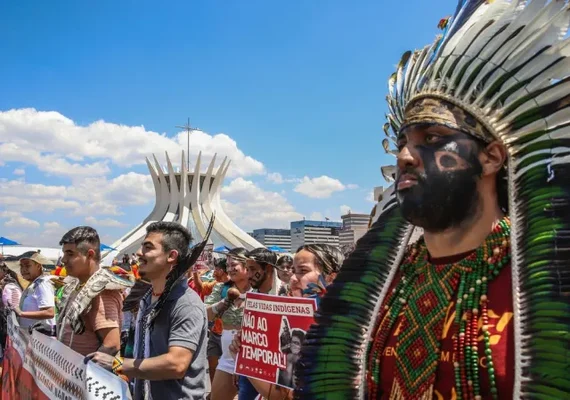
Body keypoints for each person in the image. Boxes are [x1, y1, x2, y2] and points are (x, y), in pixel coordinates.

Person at [294, 2, 570, 399]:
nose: (405, 156)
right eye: (403, 142)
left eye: (433, 139)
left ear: (491, 156)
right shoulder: (382, 284)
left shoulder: (548, 279)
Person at [88, 221, 209, 400]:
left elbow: (176, 364)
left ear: (171, 256)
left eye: (148, 248)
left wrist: (116, 363)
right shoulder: (146, 299)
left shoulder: (186, 304)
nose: (138, 253)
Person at [229, 243, 343, 399]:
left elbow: (286, 396)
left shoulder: (339, 333)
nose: (293, 278)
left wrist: (245, 362)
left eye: (303, 271)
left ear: (331, 278)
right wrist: (247, 352)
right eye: (294, 271)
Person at [57, 227, 132, 357]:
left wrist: (84, 369)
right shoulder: (77, 284)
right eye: (64, 254)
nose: (63, 260)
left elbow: (111, 345)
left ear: (90, 255)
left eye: (70, 254)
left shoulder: (100, 291)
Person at [206, 248, 250, 400]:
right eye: (228, 265)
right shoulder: (221, 288)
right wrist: (225, 301)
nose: (230, 269)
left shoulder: (259, 289)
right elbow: (206, 314)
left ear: (247, 266)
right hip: (228, 358)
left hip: (252, 357)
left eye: (234, 265)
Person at [15, 252, 56, 334]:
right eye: (21, 266)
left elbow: (49, 312)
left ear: (38, 266)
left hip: (41, 340)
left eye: (27, 266)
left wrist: (21, 313)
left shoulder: (42, 284)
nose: (23, 269)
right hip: (32, 338)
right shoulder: (34, 284)